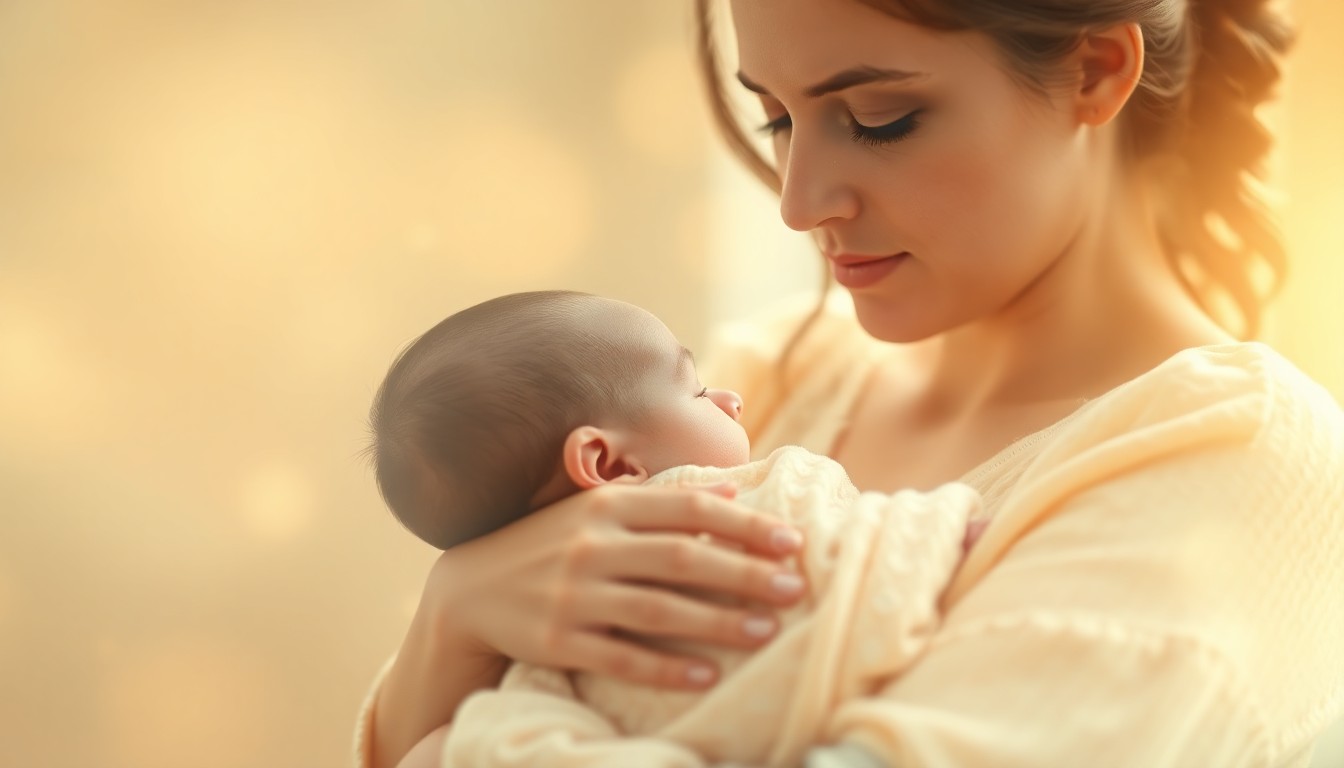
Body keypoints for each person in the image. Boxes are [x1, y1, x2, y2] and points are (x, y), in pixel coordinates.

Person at [356, 1, 1344, 767]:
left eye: (881, 120)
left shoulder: (1241, 455)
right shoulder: (774, 381)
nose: (798, 204)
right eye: (778, 118)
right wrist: (454, 612)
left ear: (1096, 70)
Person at [367, 289, 980, 767]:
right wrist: (936, 530)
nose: (732, 399)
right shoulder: (731, 497)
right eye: (698, 390)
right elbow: (848, 546)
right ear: (611, 465)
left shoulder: (514, 639)